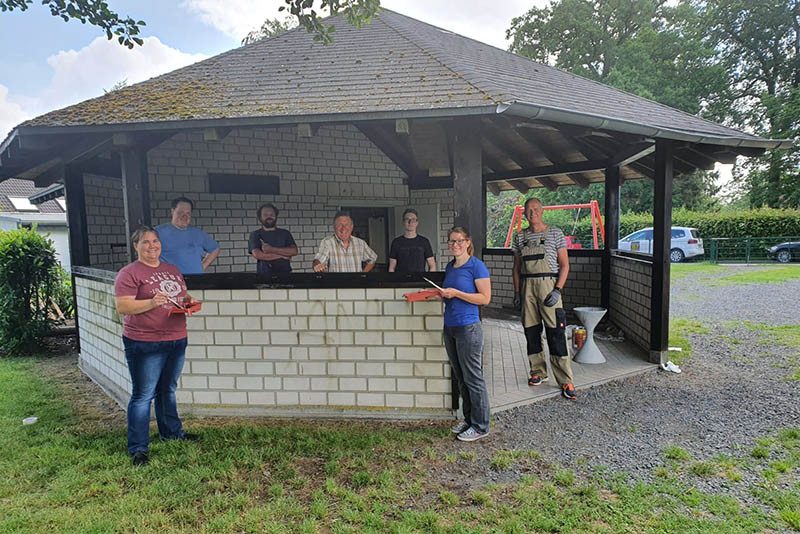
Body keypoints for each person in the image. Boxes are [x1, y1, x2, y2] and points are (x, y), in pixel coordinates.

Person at [114, 226, 199, 466]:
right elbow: (123, 307)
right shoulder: (129, 273)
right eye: (145, 242)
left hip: (176, 337)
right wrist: (151, 303)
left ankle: (172, 433)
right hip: (144, 342)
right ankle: (138, 448)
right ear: (136, 247)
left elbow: (180, 295)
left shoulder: (171, 270)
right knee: (143, 396)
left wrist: (188, 301)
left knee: (167, 390)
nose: (152, 246)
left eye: (155, 241)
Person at [512, 197, 576, 400]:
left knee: (556, 333)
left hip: (549, 286)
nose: (533, 213)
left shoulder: (555, 233)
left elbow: (564, 265)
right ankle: (538, 373)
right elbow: (516, 268)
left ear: (542, 210)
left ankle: (566, 380)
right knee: (531, 332)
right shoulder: (519, 237)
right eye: (529, 210)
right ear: (524, 214)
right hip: (527, 287)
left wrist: (558, 289)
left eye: (536, 209)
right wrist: (517, 293)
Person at [438, 226, 492, 442]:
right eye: (452, 241)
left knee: (473, 378)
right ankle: (469, 420)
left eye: (459, 241)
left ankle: (481, 426)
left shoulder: (476, 266)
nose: (455, 245)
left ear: (468, 242)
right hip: (450, 326)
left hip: (469, 328)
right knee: (461, 378)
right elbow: (450, 296)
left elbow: (484, 298)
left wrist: (457, 293)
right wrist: (440, 296)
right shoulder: (450, 267)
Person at [155, 197, 220, 274]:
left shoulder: (198, 233)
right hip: (171, 282)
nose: (185, 216)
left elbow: (215, 249)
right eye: (181, 212)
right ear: (172, 212)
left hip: (196, 281)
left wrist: (202, 266)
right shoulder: (157, 232)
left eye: (188, 213)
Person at [312, 211, 378, 273]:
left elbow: (373, 258)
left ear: (351, 227)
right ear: (334, 227)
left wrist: (362, 275)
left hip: (356, 284)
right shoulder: (327, 242)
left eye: (347, 225)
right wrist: (317, 265)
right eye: (340, 225)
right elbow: (319, 260)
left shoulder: (360, 243)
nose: (343, 229)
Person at [248, 203, 298, 273]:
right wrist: (282, 256)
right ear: (260, 218)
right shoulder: (255, 234)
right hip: (264, 275)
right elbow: (258, 255)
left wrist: (271, 249)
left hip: (285, 275)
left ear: (276, 216)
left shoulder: (285, 233)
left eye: (272, 214)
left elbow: (294, 251)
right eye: (265, 215)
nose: (269, 217)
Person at [388, 208, 436, 273]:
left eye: (413, 219)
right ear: (403, 222)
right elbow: (391, 267)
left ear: (417, 223)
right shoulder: (396, 242)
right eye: (407, 219)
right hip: (401, 281)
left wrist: (428, 281)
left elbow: (432, 265)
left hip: (420, 281)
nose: (410, 222)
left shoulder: (424, 242)